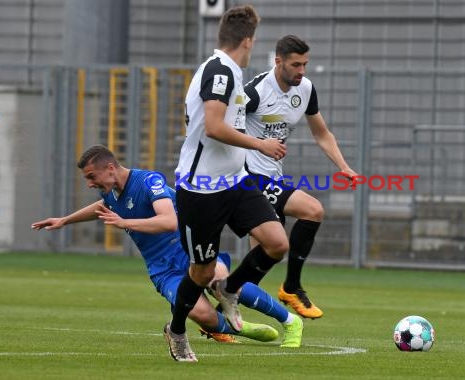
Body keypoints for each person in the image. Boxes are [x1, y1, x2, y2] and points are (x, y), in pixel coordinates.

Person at [32, 145, 303, 363]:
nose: (90, 183)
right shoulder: (112, 193)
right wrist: (64, 220)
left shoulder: (148, 181)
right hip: (162, 269)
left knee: (222, 283)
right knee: (204, 317)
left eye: (92, 176)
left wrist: (126, 223)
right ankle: (241, 329)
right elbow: (100, 207)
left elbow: (169, 221)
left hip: (187, 250)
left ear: (111, 168)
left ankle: (290, 321)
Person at [172, 5, 297, 362]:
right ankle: (177, 330)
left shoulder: (231, 73)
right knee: (201, 271)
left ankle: (230, 288)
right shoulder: (220, 71)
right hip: (202, 190)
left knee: (276, 243)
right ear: (247, 41)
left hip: (235, 183)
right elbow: (213, 126)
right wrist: (261, 144)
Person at [244, 35, 358, 319]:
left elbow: (322, 133)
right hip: (247, 178)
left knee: (263, 259)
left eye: (305, 64)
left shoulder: (305, 89)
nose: (302, 71)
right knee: (313, 210)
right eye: (296, 64)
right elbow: (221, 128)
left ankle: (218, 318)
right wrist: (258, 145)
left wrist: (342, 166)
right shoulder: (255, 91)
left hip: (273, 177)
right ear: (278, 61)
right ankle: (292, 287)